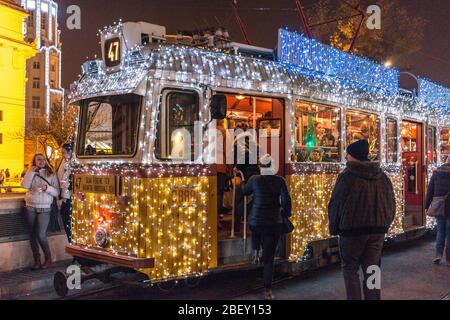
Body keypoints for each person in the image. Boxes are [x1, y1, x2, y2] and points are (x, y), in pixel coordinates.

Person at [328, 140, 396, 300]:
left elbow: (336, 204)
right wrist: (385, 224)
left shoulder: (346, 177)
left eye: (348, 155)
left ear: (353, 157)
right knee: (373, 269)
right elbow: (391, 202)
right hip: (377, 231)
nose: (346, 157)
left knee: (350, 269)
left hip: (351, 231)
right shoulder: (382, 176)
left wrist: (334, 227)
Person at [243, 154, 291, 300]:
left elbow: (245, 192)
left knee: (255, 228)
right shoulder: (280, 181)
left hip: (256, 221)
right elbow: (287, 202)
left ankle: (255, 250)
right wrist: (285, 213)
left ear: (260, 167)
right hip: (273, 223)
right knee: (269, 259)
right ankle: (268, 291)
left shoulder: (254, 180)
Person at [22, 154, 60, 270]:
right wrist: (30, 173)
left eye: (43, 159)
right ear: (34, 161)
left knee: (40, 234)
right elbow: (24, 185)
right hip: (30, 207)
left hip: (45, 208)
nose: (42, 161)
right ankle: (37, 260)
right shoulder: (30, 172)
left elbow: (57, 192)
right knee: (32, 235)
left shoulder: (51, 173)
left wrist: (46, 188)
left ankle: (48, 258)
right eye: (39, 159)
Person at [425, 156, 450, 266]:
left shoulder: (436, 172)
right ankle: (449, 259)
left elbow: (430, 190)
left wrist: (427, 205)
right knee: (449, 233)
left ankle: (438, 255)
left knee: (440, 231)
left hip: (439, 206)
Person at [58, 143, 73, 243]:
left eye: (63, 152)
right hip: (64, 197)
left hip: (70, 198)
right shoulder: (63, 163)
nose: (62, 155)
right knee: (66, 224)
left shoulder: (73, 164)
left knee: (69, 224)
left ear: (70, 152)